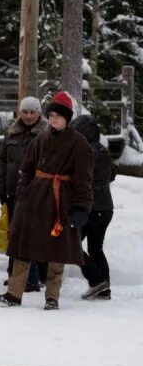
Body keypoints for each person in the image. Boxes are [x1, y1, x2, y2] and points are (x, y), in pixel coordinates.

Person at [0, 91, 94, 310]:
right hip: (34, 200)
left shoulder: (79, 143)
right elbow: (27, 169)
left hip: (61, 200)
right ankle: (13, 293)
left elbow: (84, 179)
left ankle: (52, 297)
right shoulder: (40, 139)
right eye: (51, 115)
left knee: (56, 251)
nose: (54, 119)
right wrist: (23, 192)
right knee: (22, 245)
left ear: (67, 118)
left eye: (58, 115)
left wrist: (81, 207)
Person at [0, 96, 47, 292]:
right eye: (24, 112)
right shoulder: (11, 133)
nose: (28, 116)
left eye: (32, 112)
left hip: (34, 193)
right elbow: (2, 163)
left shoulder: (45, 134)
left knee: (27, 236)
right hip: (11, 191)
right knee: (13, 234)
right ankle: (15, 275)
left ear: (39, 113)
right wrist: (0, 189)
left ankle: (31, 278)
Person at [72, 114, 116, 300]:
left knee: (72, 245)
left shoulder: (85, 153)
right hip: (106, 208)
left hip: (90, 207)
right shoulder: (103, 151)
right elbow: (112, 174)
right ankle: (104, 287)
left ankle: (97, 281)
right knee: (96, 247)